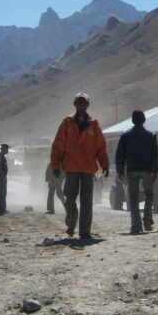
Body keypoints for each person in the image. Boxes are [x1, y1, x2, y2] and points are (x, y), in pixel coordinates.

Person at [50, 92, 109, 240]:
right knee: (69, 198)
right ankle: (71, 225)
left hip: (88, 169)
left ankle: (84, 232)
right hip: (71, 168)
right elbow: (58, 145)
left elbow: (100, 147)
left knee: (86, 201)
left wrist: (104, 164)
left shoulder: (94, 124)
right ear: (75, 104)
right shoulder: (67, 123)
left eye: (84, 103)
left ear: (88, 105)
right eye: (78, 103)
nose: (81, 105)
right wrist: (55, 164)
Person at [115, 109, 158, 234]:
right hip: (147, 170)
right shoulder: (151, 135)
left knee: (133, 198)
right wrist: (155, 171)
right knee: (149, 194)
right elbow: (155, 155)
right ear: (144, 120)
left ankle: (136, 226)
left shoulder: (125, 135)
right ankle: (147, 219)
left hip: (132, 170)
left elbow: (120, 155)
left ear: (133, 121)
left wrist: (119, 170)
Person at [0, 143, 10, 215]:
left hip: (2, 177)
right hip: (1, 178)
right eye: (7, 149)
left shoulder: (2, 156)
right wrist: (3, 177)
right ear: (3, 149)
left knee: (3, 193)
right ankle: (1, 209)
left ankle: (3, 208)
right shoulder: (0, 156)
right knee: (1, 193)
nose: (8, 150)